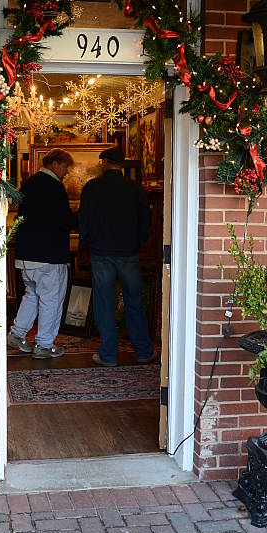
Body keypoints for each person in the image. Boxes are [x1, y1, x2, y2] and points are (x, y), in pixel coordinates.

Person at [78, 146, 154, 367]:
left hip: (101, 252)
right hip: (129, 253)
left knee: (104, 303)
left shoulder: (92, 187)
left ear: (104, 162)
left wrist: (89, 242)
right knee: (134, 302)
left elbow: (84, 220)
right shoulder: (134, 188)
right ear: (121, 165)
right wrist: (137, 242)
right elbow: (146, 221)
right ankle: (143, 351)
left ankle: (109, 354)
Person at [7, 148, 75, 359]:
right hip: (49, 254)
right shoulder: (54, 186)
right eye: (65, 167)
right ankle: (44, 344)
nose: (66, 172)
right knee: (51, 300)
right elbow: (65, 221)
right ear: (55, 163)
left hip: (26, 254)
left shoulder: (29, 183)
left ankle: (17, 334)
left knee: (32, 295)